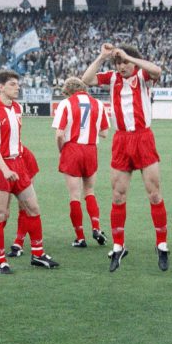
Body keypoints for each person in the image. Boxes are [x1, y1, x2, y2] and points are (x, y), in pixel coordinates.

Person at [81, 43, 169, 273]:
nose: (121, 67)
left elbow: (157, 70)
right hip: (121, 140)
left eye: (124, 62)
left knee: (154, 193)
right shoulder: (111, 78)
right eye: (118, 63)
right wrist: (102, 56)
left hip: (143, 139)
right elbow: (86, 80)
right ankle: (119, 246)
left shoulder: (142, 75)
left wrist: (129, 56)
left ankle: (162, 245)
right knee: (118, 196)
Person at [0, 70, 58, 274]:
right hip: (0, 168)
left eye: (17, 84)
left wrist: (21, 163)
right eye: (13, 84)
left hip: (18, 165)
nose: (17, 87)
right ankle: (0, 261)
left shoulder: (16, 108)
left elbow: (16, 139)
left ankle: (38, 254)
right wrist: (5, 170)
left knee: (33, 208)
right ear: (1, 87)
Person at [52, 76, 110, 247]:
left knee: (74, 195)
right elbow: (105, 133)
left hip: (72, 149)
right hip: (91, 149)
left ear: (69, 91)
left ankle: (80, 237)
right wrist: (90, 129)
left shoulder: (66, 103)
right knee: (90, 191)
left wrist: (61, 149)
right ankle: (97, 227)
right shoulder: (98, 104)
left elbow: (60, 134)